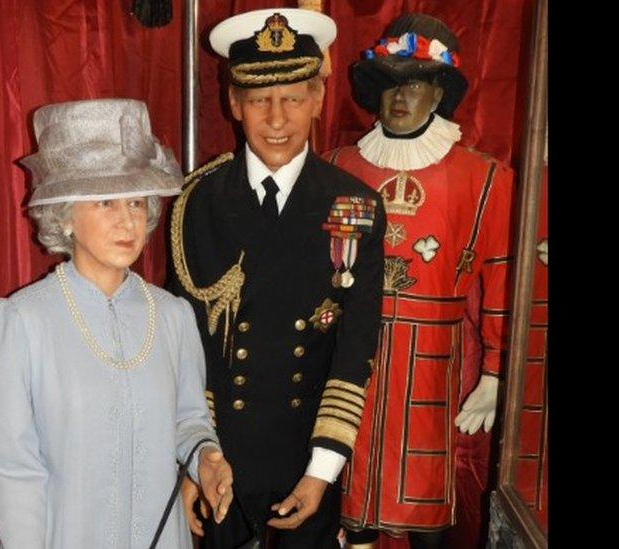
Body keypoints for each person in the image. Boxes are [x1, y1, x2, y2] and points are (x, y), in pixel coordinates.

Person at [168, 9, 384, 548]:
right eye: (260, 100)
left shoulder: (355, 205)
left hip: (305, 451)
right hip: (221, 454)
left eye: (293, 97)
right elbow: (182, 342)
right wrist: (193, 458)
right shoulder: (197, 203)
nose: (277, 118)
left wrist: (323, 469)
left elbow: (356, 347)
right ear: (233, 103)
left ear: (317, 100)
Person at [0, 98, 234, 548]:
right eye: (105, 201)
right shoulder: (21, 322)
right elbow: (13, 468)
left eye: (137, 202)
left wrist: (206, 458)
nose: (127, 221)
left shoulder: (173, 316)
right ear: (66, 215)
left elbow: (189, 420)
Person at [322, 14, 516, 549]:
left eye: (414, 82)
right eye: (388, 84)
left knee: (426, 494)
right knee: (347, 487)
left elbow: (501, 278)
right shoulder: (337, 166)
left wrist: (497, 373)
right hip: (349, 353)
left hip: (434, 360)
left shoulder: (487, 179)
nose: (399, 96)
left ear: (439, 92)